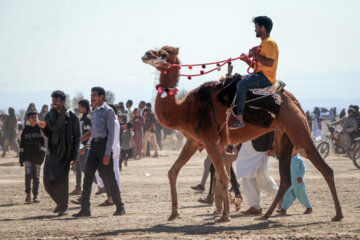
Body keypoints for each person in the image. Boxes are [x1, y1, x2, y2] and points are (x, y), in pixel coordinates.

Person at [73, 87, 125, 217]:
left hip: (104, 147)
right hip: (94, 146)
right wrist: (79, 141)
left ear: (102, 97)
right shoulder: (95, 111)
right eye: (91, 95)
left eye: (94, 95)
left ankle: (120, 207)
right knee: (88, 178)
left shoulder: (109, 111)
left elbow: (111, 134)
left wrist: (107, 153)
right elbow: (91, 132)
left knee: (110, 179)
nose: (92, 97)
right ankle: (85, 209)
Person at [230, 16, 279, 129]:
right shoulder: (264, 43)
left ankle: (240, 118)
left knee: (241, 85)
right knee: (237, 79)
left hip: (266, 78)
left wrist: (254, 55)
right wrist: (247, 60)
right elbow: (257, 66)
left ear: (262, 27)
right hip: (260, 74)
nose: (255, 30)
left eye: (256, 27)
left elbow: (270, 63)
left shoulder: (269, 43)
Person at [39, 90, 80, 216]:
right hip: (52, 152)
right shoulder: (49, 116)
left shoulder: (71, 117)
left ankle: (64, 207)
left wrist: (75, 155)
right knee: (47, 181)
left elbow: (77, 136)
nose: (54, 103)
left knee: (62, 181)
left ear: (63, 101)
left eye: (56, 101)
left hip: (65, 153)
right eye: (53, 101)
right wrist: (43, 128)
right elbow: (48, 134)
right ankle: (59, 202)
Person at [236, 132, 279, 214]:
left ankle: (280, 196)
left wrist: (271, 147)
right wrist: (241, 142)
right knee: (247, 176)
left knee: (262, 176)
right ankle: (255, 206)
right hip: (248, 146)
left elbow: (271, 128)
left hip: (260, 147)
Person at [94, 103, 122, 207]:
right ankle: (115, 194)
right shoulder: (115, 121)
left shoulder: (111, 121)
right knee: (114, 171)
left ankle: (112, 196)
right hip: (116, 147)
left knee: (107, 173)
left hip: (110, 148)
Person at [19, 111, 46, 203]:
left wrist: (42, 157)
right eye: (32, 117)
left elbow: (44, 145)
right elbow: (21, 145)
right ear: (28, 119)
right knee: (28, 176)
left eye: (35, 117)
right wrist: (21, 158)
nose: (34, 119)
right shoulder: (25, 130)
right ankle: (28, 195)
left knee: (36, 177)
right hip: (27, 157)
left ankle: (35, 195)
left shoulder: (40, 129)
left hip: (37, 158)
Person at [277, 149, 312, 215]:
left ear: (297, 151)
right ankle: (283, 209)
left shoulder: (299, 160)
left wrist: (300, 176)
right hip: (290, 182)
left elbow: (303, 169)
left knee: (302, 196)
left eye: (293, 149)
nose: (291, 151)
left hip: (298, 182)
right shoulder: (288, 159)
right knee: (288, 195)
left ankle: (309, 208)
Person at [69, 99, 92, 196]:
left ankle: (100, 184)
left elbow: (88, 134)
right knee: (78, 167)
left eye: (79, 106)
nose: (78, 108)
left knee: (83, 168)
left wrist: (82, 146)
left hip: (84, 147)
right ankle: (78, 188)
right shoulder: (82, 117)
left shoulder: (87, 118)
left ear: (83, 107)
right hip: (80, 146)